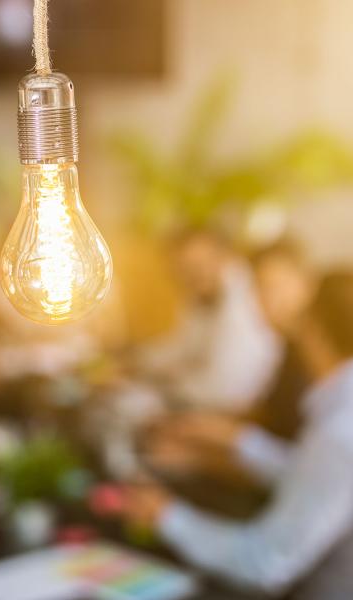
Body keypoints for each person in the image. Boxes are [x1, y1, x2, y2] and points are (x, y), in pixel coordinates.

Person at [121, 272, 353, 596]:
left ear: (312, 329)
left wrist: (166, 515)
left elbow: (264, 562)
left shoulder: (339, 430)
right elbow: (314, 478)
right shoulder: (340, 410)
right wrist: (234, 440)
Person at [143, 240, 317, 497]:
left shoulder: (320, 361)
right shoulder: (289, 351)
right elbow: (272, 418)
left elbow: (304, 471)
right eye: (260, 289)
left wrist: (211, 452)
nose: (270, 300)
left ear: (308, 283)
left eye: (278, 286)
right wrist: (213, 428)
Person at [137, 228, 280, 412]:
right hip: (202, 399)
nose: (195, 274)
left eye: (202, 263)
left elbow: (221, 386)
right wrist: (137, 362)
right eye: (184, 268)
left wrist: (155, 381)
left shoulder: (247, 302)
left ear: (225, 257)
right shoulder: (202, 298)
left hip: (235, 411)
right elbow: (182, 347)